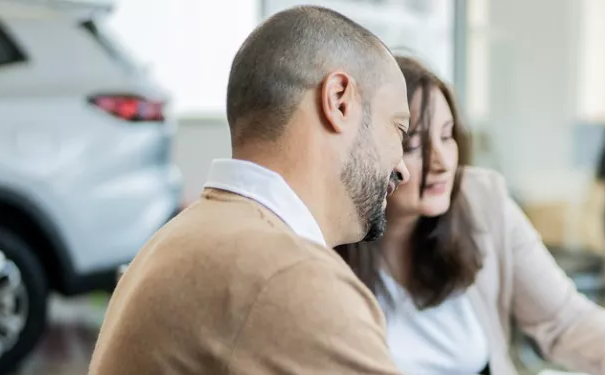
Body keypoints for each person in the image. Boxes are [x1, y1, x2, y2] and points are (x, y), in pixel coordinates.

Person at [335, 56, 605, 375]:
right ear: (369, 150)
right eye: (414, 144)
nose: (441, 163)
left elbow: (562, 318)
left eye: (448, 135)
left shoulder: (481, 200)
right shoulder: (323, 241)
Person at [89, 7, 410, 374]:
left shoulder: (175, 239)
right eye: (398, 129)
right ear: (339, 100)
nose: (402, 167)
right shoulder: (291, 276)